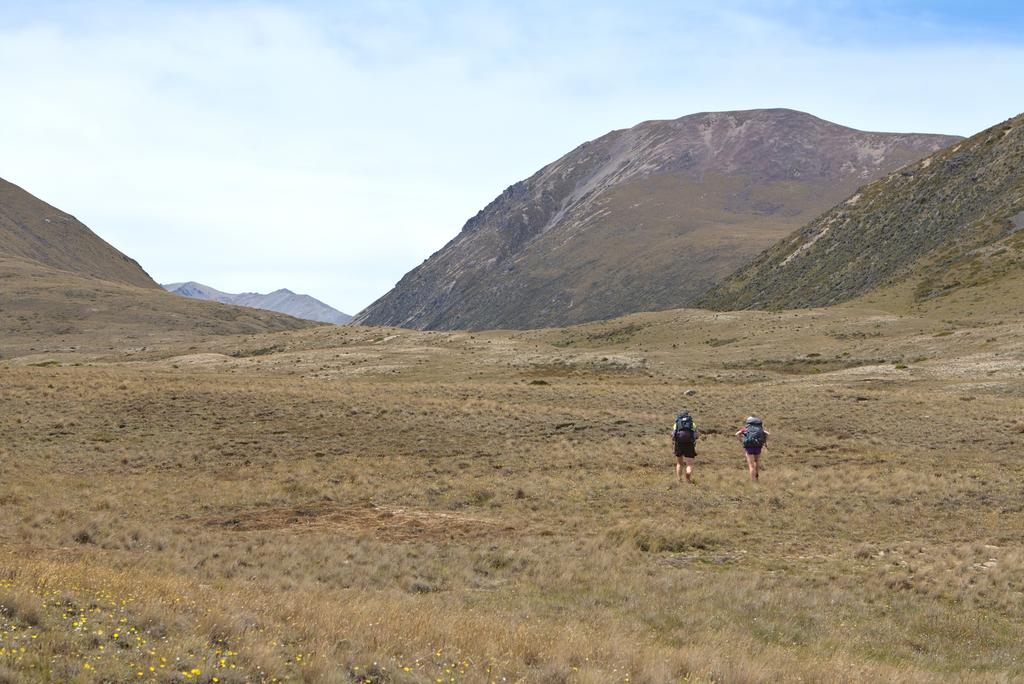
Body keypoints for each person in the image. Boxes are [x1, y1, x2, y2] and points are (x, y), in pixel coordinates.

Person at [736, 416, 769, 481]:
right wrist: (764, 441)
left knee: (751, 465)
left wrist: (741, 441)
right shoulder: (760, 429)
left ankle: (752, 481)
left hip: (749, 447)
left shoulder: (746, 429)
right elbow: (768, 434)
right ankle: (756, 477)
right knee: (756, 461)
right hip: (758, 446)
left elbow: (737, 434)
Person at [671, 410, 700, 484]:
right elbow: (697, 435)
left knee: (679, 463)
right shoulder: (692, 424)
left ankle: (679, 479)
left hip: (679, 444)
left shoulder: (677, 423)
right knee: (689, 464)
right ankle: (688, 475)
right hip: (689, 444)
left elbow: (673, 434)